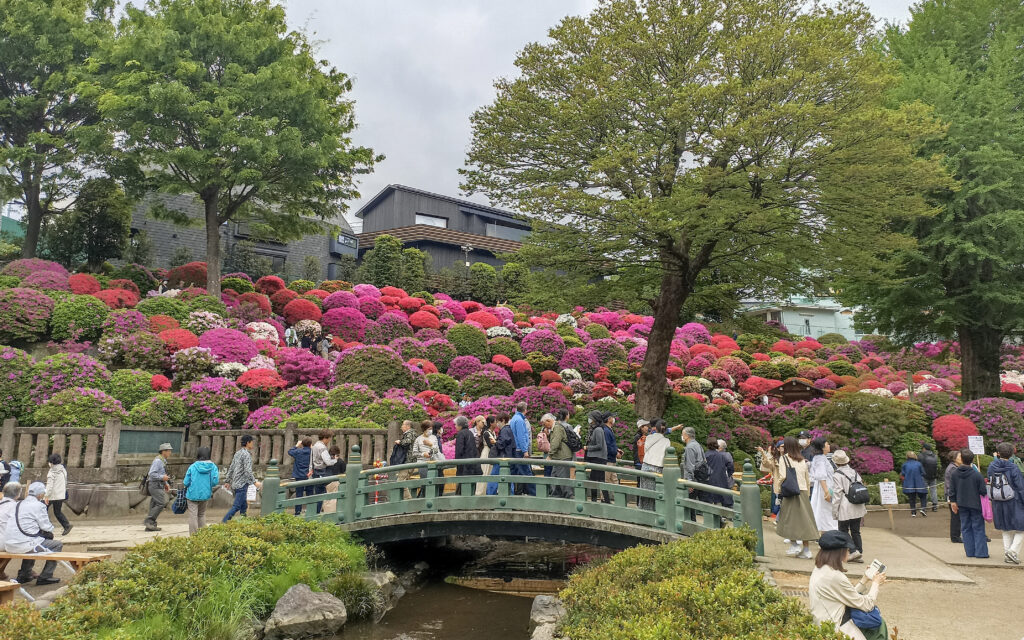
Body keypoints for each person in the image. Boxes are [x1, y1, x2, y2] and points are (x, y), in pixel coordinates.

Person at [808, 530, 888, 640]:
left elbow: (846, 595)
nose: (849, 552)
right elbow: (867, 605)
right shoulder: (835, 576)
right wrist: (875, 584)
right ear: (840, 552)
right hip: (836, 627)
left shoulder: (820, 569)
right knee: (878, 626)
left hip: (824, 623)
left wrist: (864, 580)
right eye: (847, 549)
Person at [5, 482, 62, 585]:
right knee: (56, 544)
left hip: (9, 543)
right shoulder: (39, 505)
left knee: (34, 542)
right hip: (24, 544)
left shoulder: (18, 504)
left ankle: (25, 574)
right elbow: (46, 527)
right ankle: (45, 576)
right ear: (40, 495)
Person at [776, 436, 819, 559]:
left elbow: (783, 476)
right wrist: (807, 494)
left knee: (789, 519)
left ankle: (794, 544)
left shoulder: (784, 459)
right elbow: (807, 477)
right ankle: (806, 549)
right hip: (803, 492)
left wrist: (779, 488)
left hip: (790, 492)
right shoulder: (802, 460)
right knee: (804, 521)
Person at [947, 448, 989, 559]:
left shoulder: (955, 474)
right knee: (978, 528)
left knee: (965, 527)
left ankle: (970, 552)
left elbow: (951, 490)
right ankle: (981, 552)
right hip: (975, 504)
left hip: (961, 504)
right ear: (972, 460)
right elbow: (983, 491)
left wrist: (953, 501)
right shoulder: (977, 475)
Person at [987, 442, 1024, 564]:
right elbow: (1020, 487)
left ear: (998, 453)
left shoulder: (991, 466)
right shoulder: (1013, 468)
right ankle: (1012, 552)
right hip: (1014, 501)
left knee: (1005, 529)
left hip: (998, 502)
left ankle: (1008, 553)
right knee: (1020, 528)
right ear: (1012, 454)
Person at [831, 449, 867, 562]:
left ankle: (853, 551)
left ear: (836, 462)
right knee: (856, 530)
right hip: (858, 505)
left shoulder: (837, 474)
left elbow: (837, 494)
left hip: (845, 505)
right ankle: (859, 552)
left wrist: (834, 511)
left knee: (842, 530)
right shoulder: (854, 472)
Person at [0, 482, 36, 582]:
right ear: (18, 494)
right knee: (31, 541)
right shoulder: (17, 507)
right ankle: (26, 571)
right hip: (4, 543)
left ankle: (2, 571)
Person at [222, 435, 261, 523]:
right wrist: (254, 482)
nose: (253, 444)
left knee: (244, 506)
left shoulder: (238, 453)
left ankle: (244, 522)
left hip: (236, 483)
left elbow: (231, 467)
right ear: (248, 443)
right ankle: (224, 522)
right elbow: (247, 470)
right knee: (236, 506)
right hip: (242, 484)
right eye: (252, 442)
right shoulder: (246, 454)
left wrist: (228, 480)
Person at [182, 447, 219, 535]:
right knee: (201, 514)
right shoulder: (213, 467)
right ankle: (203, 535)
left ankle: (194, 535)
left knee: (193, 515)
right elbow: (215, 482)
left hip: (192, 494)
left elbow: (186, 482)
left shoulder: (192, 466)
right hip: (205, 495)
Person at [639, 420, 671, 511]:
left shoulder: (649, 437)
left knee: (644, 491)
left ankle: (643, 510)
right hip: (658, 467)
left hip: (646, 465)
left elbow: (645, 450)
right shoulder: (667, 441)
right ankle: (653, 511)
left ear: (655, 428)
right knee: (655, 492)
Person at [808, 437, 838, 533]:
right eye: (827, 444)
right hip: (824, 488)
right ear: (822, 447)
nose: (829, 446)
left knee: (823, 511)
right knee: (826, 512)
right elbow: (821, 477)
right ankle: (829, 535)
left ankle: (827, 534)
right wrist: (827, 492)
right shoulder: (820, 459)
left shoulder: (820, 457)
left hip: (823, 487)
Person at [143, 443, 173, 531]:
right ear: (163, 451)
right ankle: (149, 521)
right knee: (161, 503)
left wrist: (166, 483)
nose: (170, 453)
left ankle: (151, 525)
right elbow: (152, 474)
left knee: (154, 504)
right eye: (168, 451)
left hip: (158, 485)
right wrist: (162, 478)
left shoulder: (162, 460)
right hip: (154, 485)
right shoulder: (158, 461)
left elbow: (161, 473)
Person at [509, 402, 536, 496]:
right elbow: (521, 437)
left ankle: (513, 493)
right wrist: (525, 451)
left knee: (514, 472)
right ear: (525, 410)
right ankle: (535, 494)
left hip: (514, 449)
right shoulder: (520, 420)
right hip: (520, 450)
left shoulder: (513, 419)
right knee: (527, 473)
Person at [546, 412, 573, 499]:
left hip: (563, 456)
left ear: (549, 420)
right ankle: (556, 496)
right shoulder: (555, 428)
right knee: (555, 476)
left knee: (563, 477)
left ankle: (568, 496)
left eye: (544, 423)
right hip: (558, 457)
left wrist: (550, 455)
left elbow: (555, 443)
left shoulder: (557, 428)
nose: (544, 426)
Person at [44, 453, 72, 536]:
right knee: (57, 512)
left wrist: (46, 496)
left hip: (52, 495)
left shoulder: (52, 472)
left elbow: (49, 486)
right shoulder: (63, 469)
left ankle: (45, 528)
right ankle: (66, 525)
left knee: (42, 509)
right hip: (61, 494)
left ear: (51, 462)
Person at [584, 411, 609, 503]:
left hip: (598, 458)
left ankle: (600, 500)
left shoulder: (598, 430)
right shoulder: (594, 429)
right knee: (595, 479)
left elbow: (599, 445)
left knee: (597, 480)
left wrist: (588, 447)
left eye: (591, 418)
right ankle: (600, 500)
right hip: (596, 458)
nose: (589, 419)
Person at [310, 430, 338, 511]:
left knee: (318, 493)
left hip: (316, 471)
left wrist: (310, 469)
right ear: (326, 438)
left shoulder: (315, 445)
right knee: (322, 494)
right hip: (322, 471)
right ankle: (319, 511)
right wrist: (335, 460)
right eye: (329, 438)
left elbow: (311, 459)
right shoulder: (322, 448)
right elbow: (328, 462)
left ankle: (316, 511)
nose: (329, 441)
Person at [487, 414, 514, 495]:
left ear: (502, 420)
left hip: (502, 457)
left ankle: (490, 495)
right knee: (508, 477)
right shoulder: (509, 429)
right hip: (508, 456)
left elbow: (502, 444)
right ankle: (510, 495)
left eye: (498, 421)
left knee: (494, 477)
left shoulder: (504, 430)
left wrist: (495, 442)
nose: (497, 424)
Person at [704, 438, 734, 510]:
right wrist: (729, 474)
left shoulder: (706, 455)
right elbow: (730, 465)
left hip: (709, 480)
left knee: (710, 501)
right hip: (721, 480)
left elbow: (702, 468)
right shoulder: (721, 455)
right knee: (721, 499)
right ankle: (721, 517)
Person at [454, 416, 482, 495]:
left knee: (462, 486)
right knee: (471, 487)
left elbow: (459, 450)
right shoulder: (470, 432)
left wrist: (457, 463)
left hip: (464, 465)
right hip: (472, 464)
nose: (455, 426)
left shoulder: (460, 434)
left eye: (456, 425)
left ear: (460, 425)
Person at [759, 440, 786, 520]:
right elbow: (766, 465)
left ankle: (779, 521)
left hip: (788, 485)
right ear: (778, 448)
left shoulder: (790, 458)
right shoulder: (775, 460)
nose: (784, 448)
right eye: (782, 446)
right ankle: (778, 521)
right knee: (779, 505)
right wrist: (763, 453)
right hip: (779, 486)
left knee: (784, 505)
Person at [287, 438, 314, 515]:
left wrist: (296, 445)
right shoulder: (311, 452)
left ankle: (297, 512)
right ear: (310, 444)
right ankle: (310, 511)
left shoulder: (298, 451)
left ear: (302, 444)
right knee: (310, 493)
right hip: (309, 475)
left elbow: (290, 452)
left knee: (299, 494)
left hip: (299, 475)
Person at [900, 451, 928, 517]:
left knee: (912, 498)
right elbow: (923, 473)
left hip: (909, 483)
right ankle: (923, 509)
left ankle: (913, 512)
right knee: (923, 496)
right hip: (919, 482)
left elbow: (903, 474)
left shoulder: (905, 464)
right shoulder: (919, 464)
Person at [395, 420, 416, 500]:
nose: (401, 427)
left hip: (408, 460)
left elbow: (407, 442)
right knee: (405, 480)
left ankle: (408, 500)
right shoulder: (412, 433)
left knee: (401, 481)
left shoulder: (410, 433)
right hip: (411, 460)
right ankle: (405, 500)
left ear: (408, 426)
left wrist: (400, 442)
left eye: (403, 425)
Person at [944, 450, 961, 543]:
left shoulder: (954, 467)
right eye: (959, 456)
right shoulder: (953, 468)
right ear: (954, 459)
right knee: (956, 516)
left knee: (957, 516)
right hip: (952, 495)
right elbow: (952, 484)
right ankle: (955, 536)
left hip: (952, 494)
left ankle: (956, 535)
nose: (961, 458)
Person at [477, 416, 497, 496]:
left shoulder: (493, 432)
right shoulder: (486, 433)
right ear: (491, 423)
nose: (496, 423)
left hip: (492, 453)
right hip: (486, 453)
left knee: (490, 472)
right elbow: (490, 445)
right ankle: (480, 492)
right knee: (485, 472)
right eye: (495, 421)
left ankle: (488, 492)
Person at [919, 443, 940, 512]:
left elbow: (919, 466)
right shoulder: (935, 456)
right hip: (933, 476)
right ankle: (935, 506)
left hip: (924, 476)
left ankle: (924, 506)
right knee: (933, 491)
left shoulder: (921, 455)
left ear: (924, 448)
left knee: (924, 491)